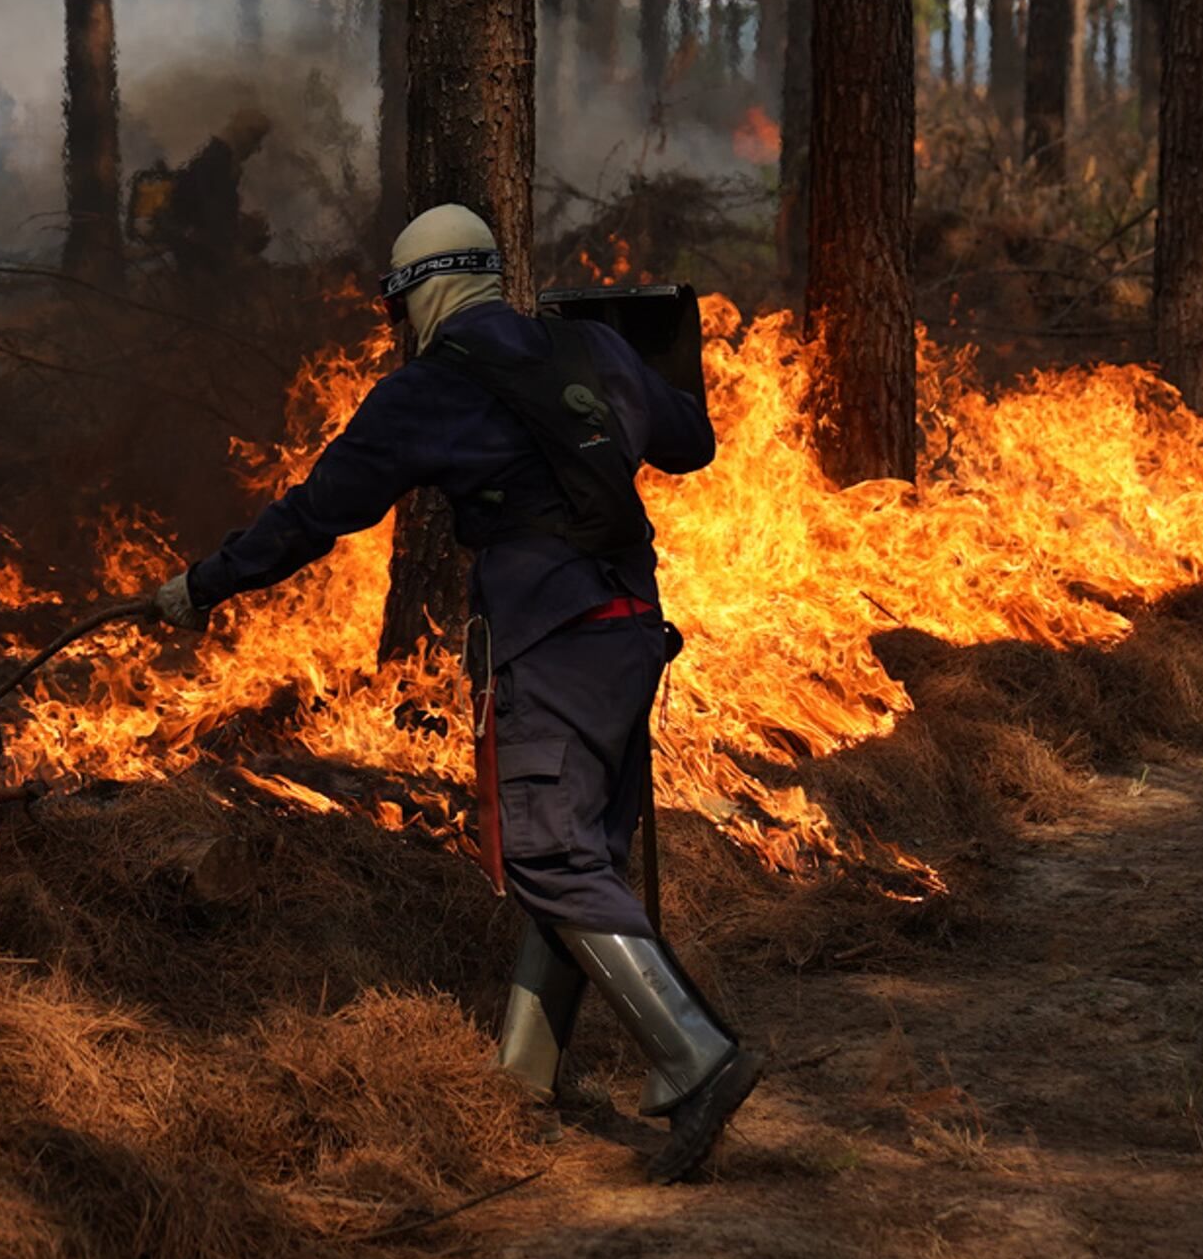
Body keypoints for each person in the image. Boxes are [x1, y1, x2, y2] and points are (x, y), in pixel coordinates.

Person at [146, 202, 757, 1181]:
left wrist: (202, 584)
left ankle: (695, 1055)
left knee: (550, 853)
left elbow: (315, 513)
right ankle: (521, 1085)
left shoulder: (425, 390)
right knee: (576, 855)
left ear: (415, 295)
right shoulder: (588, 344)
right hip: (632, 633)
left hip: (551, 642)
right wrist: (642, 361)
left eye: (394, 306)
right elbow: (687, 444)